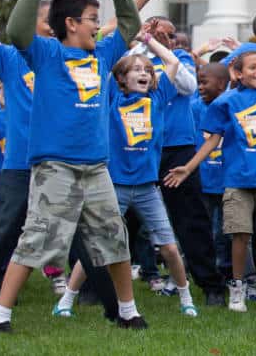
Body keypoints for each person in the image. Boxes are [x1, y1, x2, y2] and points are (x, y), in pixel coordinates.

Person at [0, 0, 147, 332]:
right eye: (91, 19)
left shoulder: (103, 55)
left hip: (96, 168)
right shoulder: (47, 53)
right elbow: (17, 31)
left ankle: (128, 311)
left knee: (114, 237)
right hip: (55, 166)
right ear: (71, 24)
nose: (96, 26)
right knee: (37, 237)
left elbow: (129, 24)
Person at [54, 31, 198, 318]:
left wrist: (148, 40)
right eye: (136, 70)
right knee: (96, 245)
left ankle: (186, 298)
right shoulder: (110, 99)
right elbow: (105, 66)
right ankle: (66, 301)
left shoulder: (157, 97)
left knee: (169, 247)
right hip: (114, 187)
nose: (143, 74)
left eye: (146, 70)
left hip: (147, 188)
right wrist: (129, 46)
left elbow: (172, 63)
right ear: (121, 78)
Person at [163, 50, 256, 314]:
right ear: (238, 74)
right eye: (253, 67)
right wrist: (188, 167)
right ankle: (238, 287)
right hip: (236, 180)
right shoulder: (226, 102)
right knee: (239, 236)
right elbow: (212, 140)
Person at [142, 16, 227, 307]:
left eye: (169, 34)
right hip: (135, 146)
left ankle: (211, 284)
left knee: (191, 218)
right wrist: (140, 45)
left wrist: (154, 45)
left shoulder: (177, 58)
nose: (165, 38)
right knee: (120, 217)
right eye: (157, 32)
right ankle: (95, 285)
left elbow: (188, 85)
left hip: (176, 148)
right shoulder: (133, 58)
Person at [192, 63, 233, 281]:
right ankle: (203, 271)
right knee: (203, 230)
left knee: (226, 233)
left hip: (228, 181)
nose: (199, 87)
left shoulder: (232, 105)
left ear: (221, 84)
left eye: (204, 82)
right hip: (203, 180)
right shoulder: (195, 108)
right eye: (198, 82)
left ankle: (225, 271)